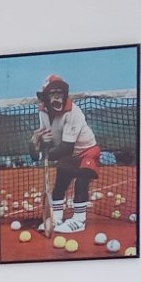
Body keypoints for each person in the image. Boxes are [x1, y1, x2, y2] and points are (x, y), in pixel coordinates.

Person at [30, 75, 102, 234]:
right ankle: (56, 218)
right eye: (52, 93)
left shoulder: (73, 113)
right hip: (68, 155)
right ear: (45, 97)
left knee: (81, 181)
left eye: (60, 92)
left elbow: (67, 147)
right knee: (60, 184)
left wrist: (42, 156)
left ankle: (79, 220)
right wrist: (39, 141)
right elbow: (49, 137)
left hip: (87, 151)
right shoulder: (42, 111)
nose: (57, 96)